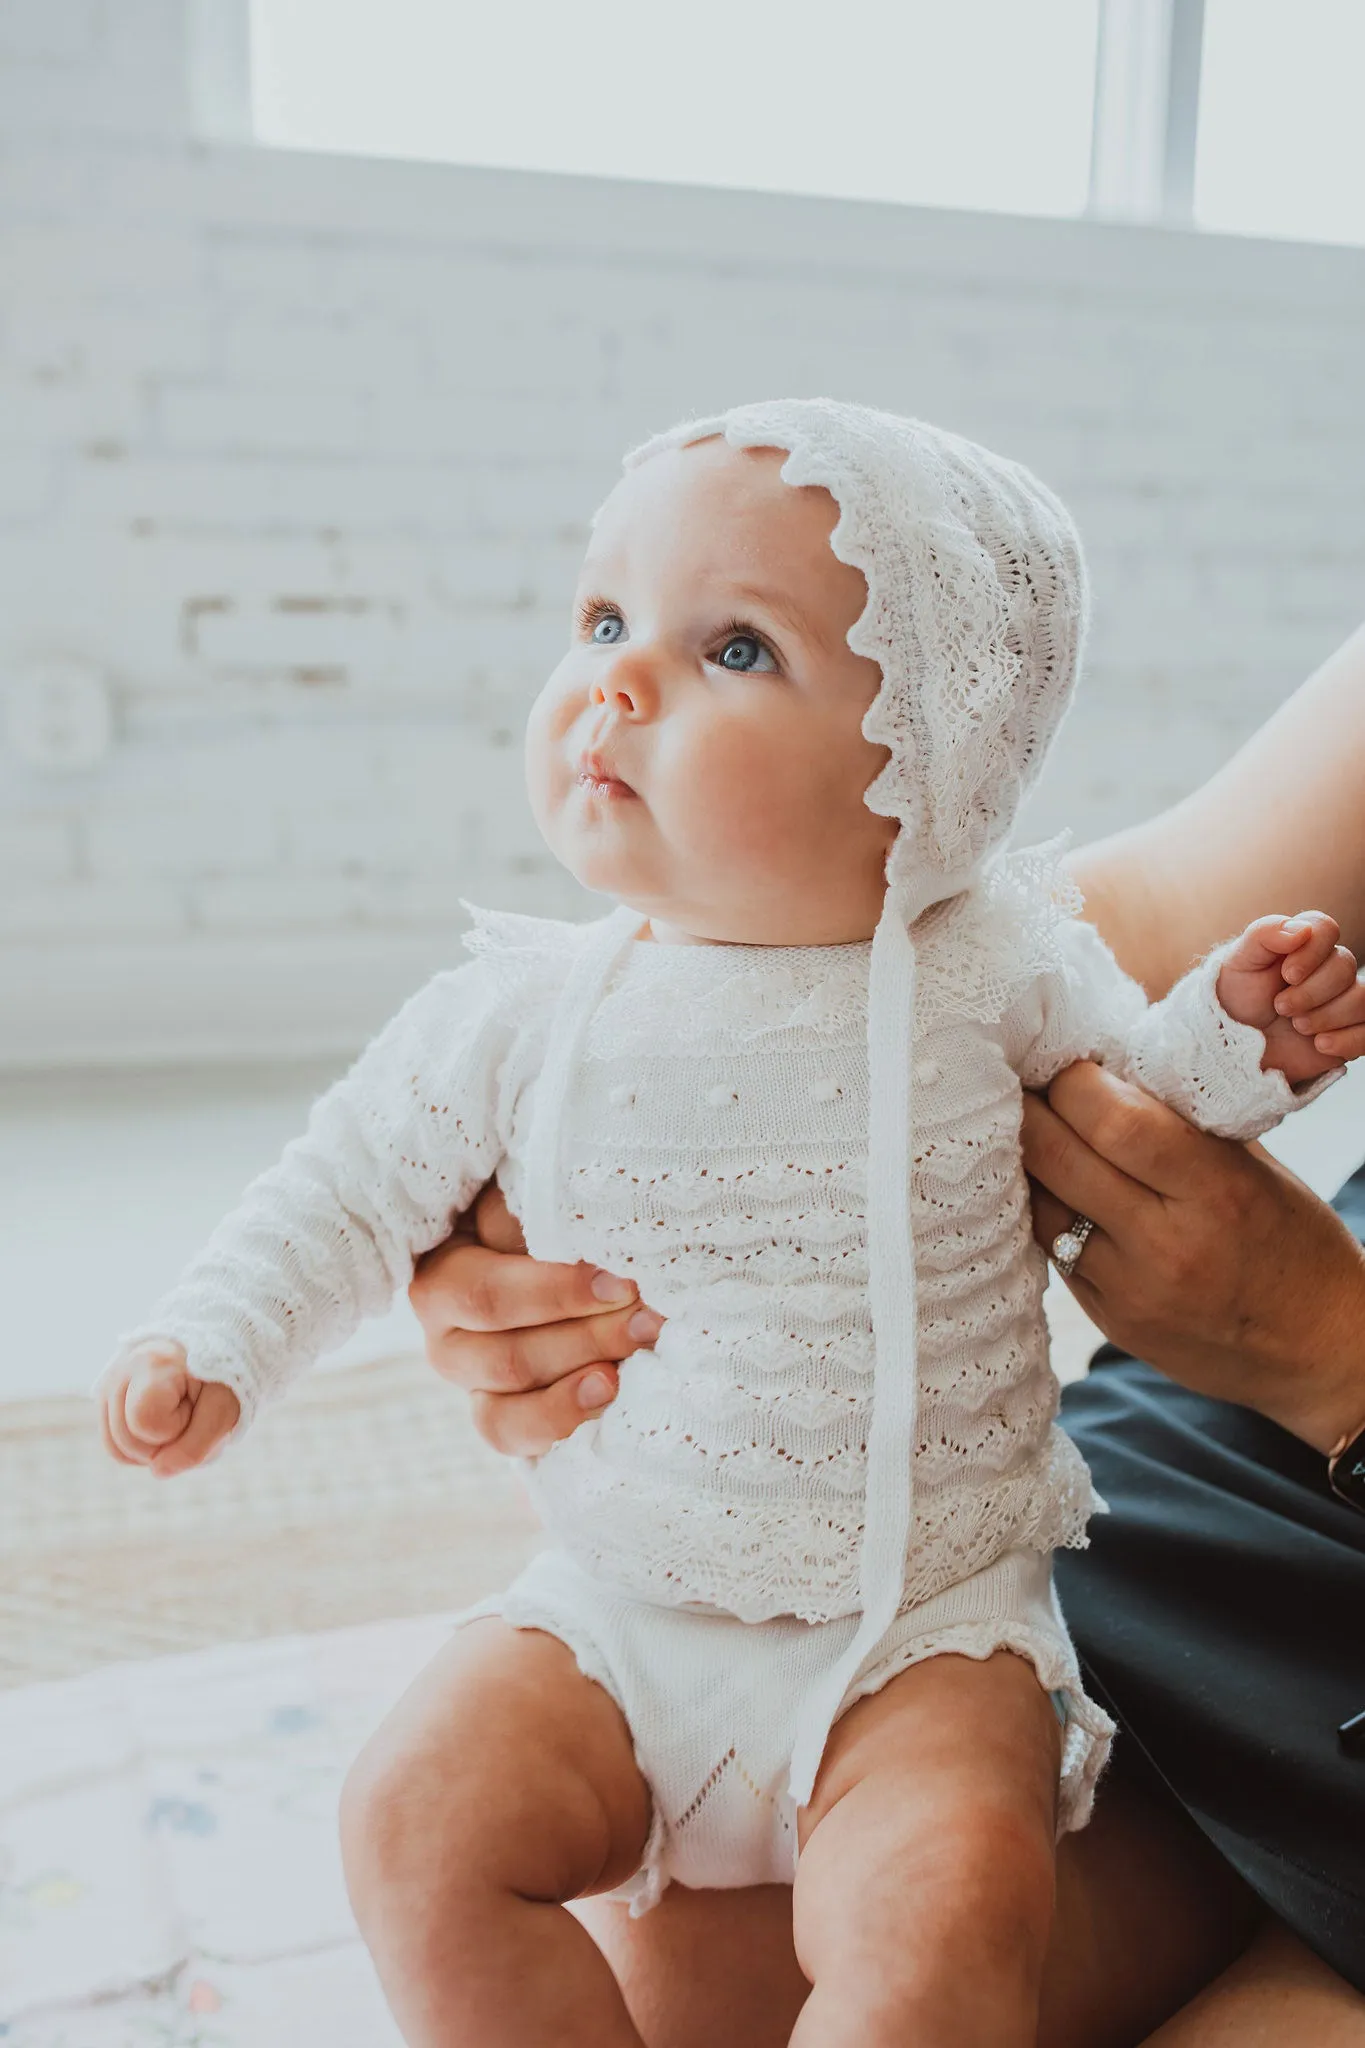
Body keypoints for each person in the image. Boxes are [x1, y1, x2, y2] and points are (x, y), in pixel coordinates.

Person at [95, 404, 1365, 2048]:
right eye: (606, 623)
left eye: (737, 649)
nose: (615, 683)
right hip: (654, 1604)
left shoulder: (986, 977)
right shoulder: (523, 1011)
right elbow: (339, 1187)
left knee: (937, 1938)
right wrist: (225, 1337)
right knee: (423, 1825)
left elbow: (1143, 1065)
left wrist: (1243, 1064)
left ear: (926, 772)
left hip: (927, 1627)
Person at [408, 619, 1365, 2045]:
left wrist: (1331, 1346)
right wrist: (696, 1059)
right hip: (1246, 1481)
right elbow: (1138, 920)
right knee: (681, 1983)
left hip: (1331, 1375)